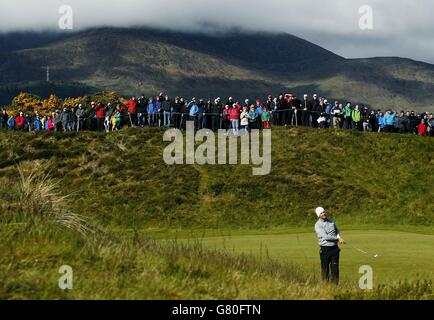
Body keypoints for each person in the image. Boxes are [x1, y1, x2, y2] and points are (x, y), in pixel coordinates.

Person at [314, 207, 345, 285]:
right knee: (325, 269)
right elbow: (326, 237)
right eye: (321, 213)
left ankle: (335, 286)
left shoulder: (331, 220)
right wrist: (337, 239)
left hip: (334, 249)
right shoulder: (318, 225)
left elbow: (337, 230)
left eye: (324, 212)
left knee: (335, 269)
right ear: (318, 215)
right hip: (325, 249)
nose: (323, 214)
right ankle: (325, 286)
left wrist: (338, 236)